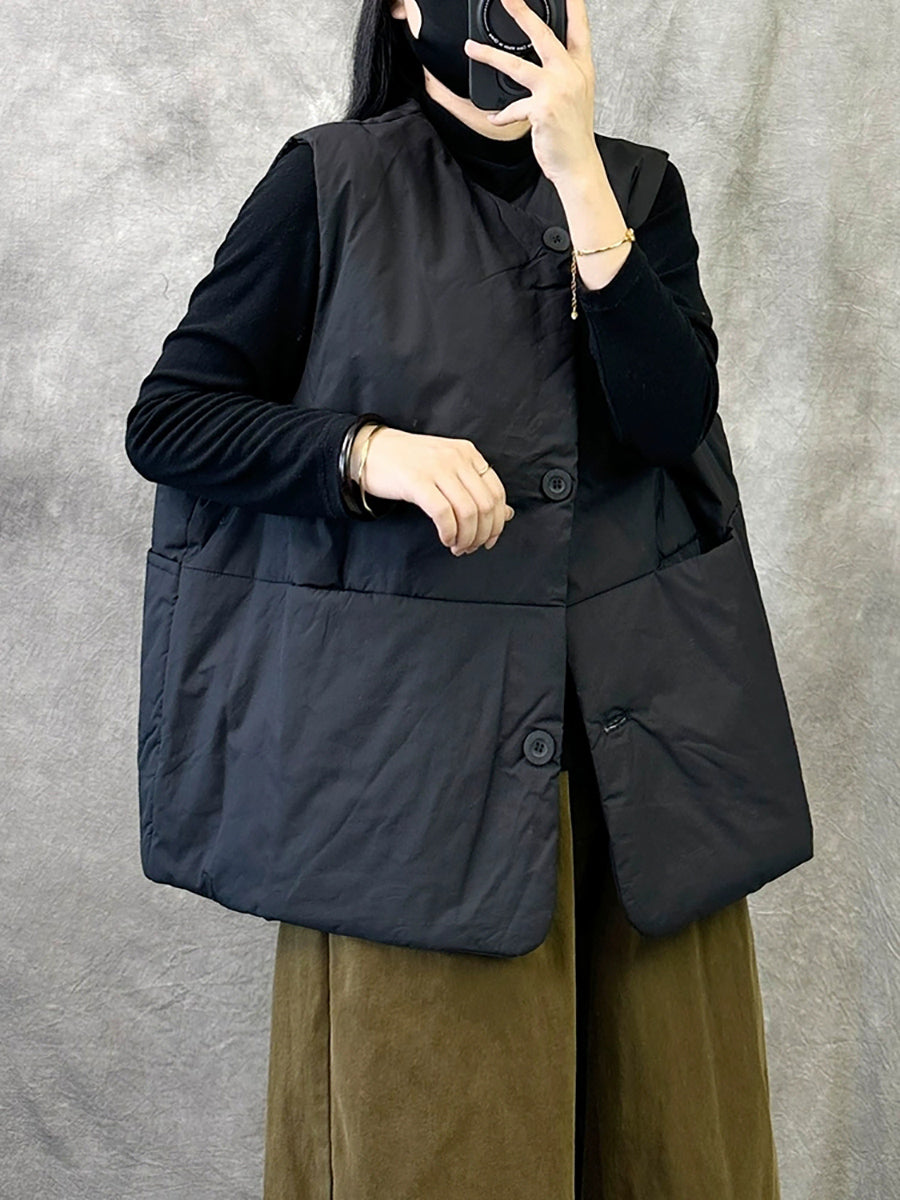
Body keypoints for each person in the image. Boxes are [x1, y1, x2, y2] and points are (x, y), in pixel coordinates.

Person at [126, 0, 786, 1195]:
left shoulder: (637, 189)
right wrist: (365, 452)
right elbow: (173, 420)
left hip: (636, 797)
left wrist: (579, 176)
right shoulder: (329, 182)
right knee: (432, 1150)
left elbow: (669, 422)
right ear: (402, 9)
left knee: (673, 1153)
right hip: (411, 796)